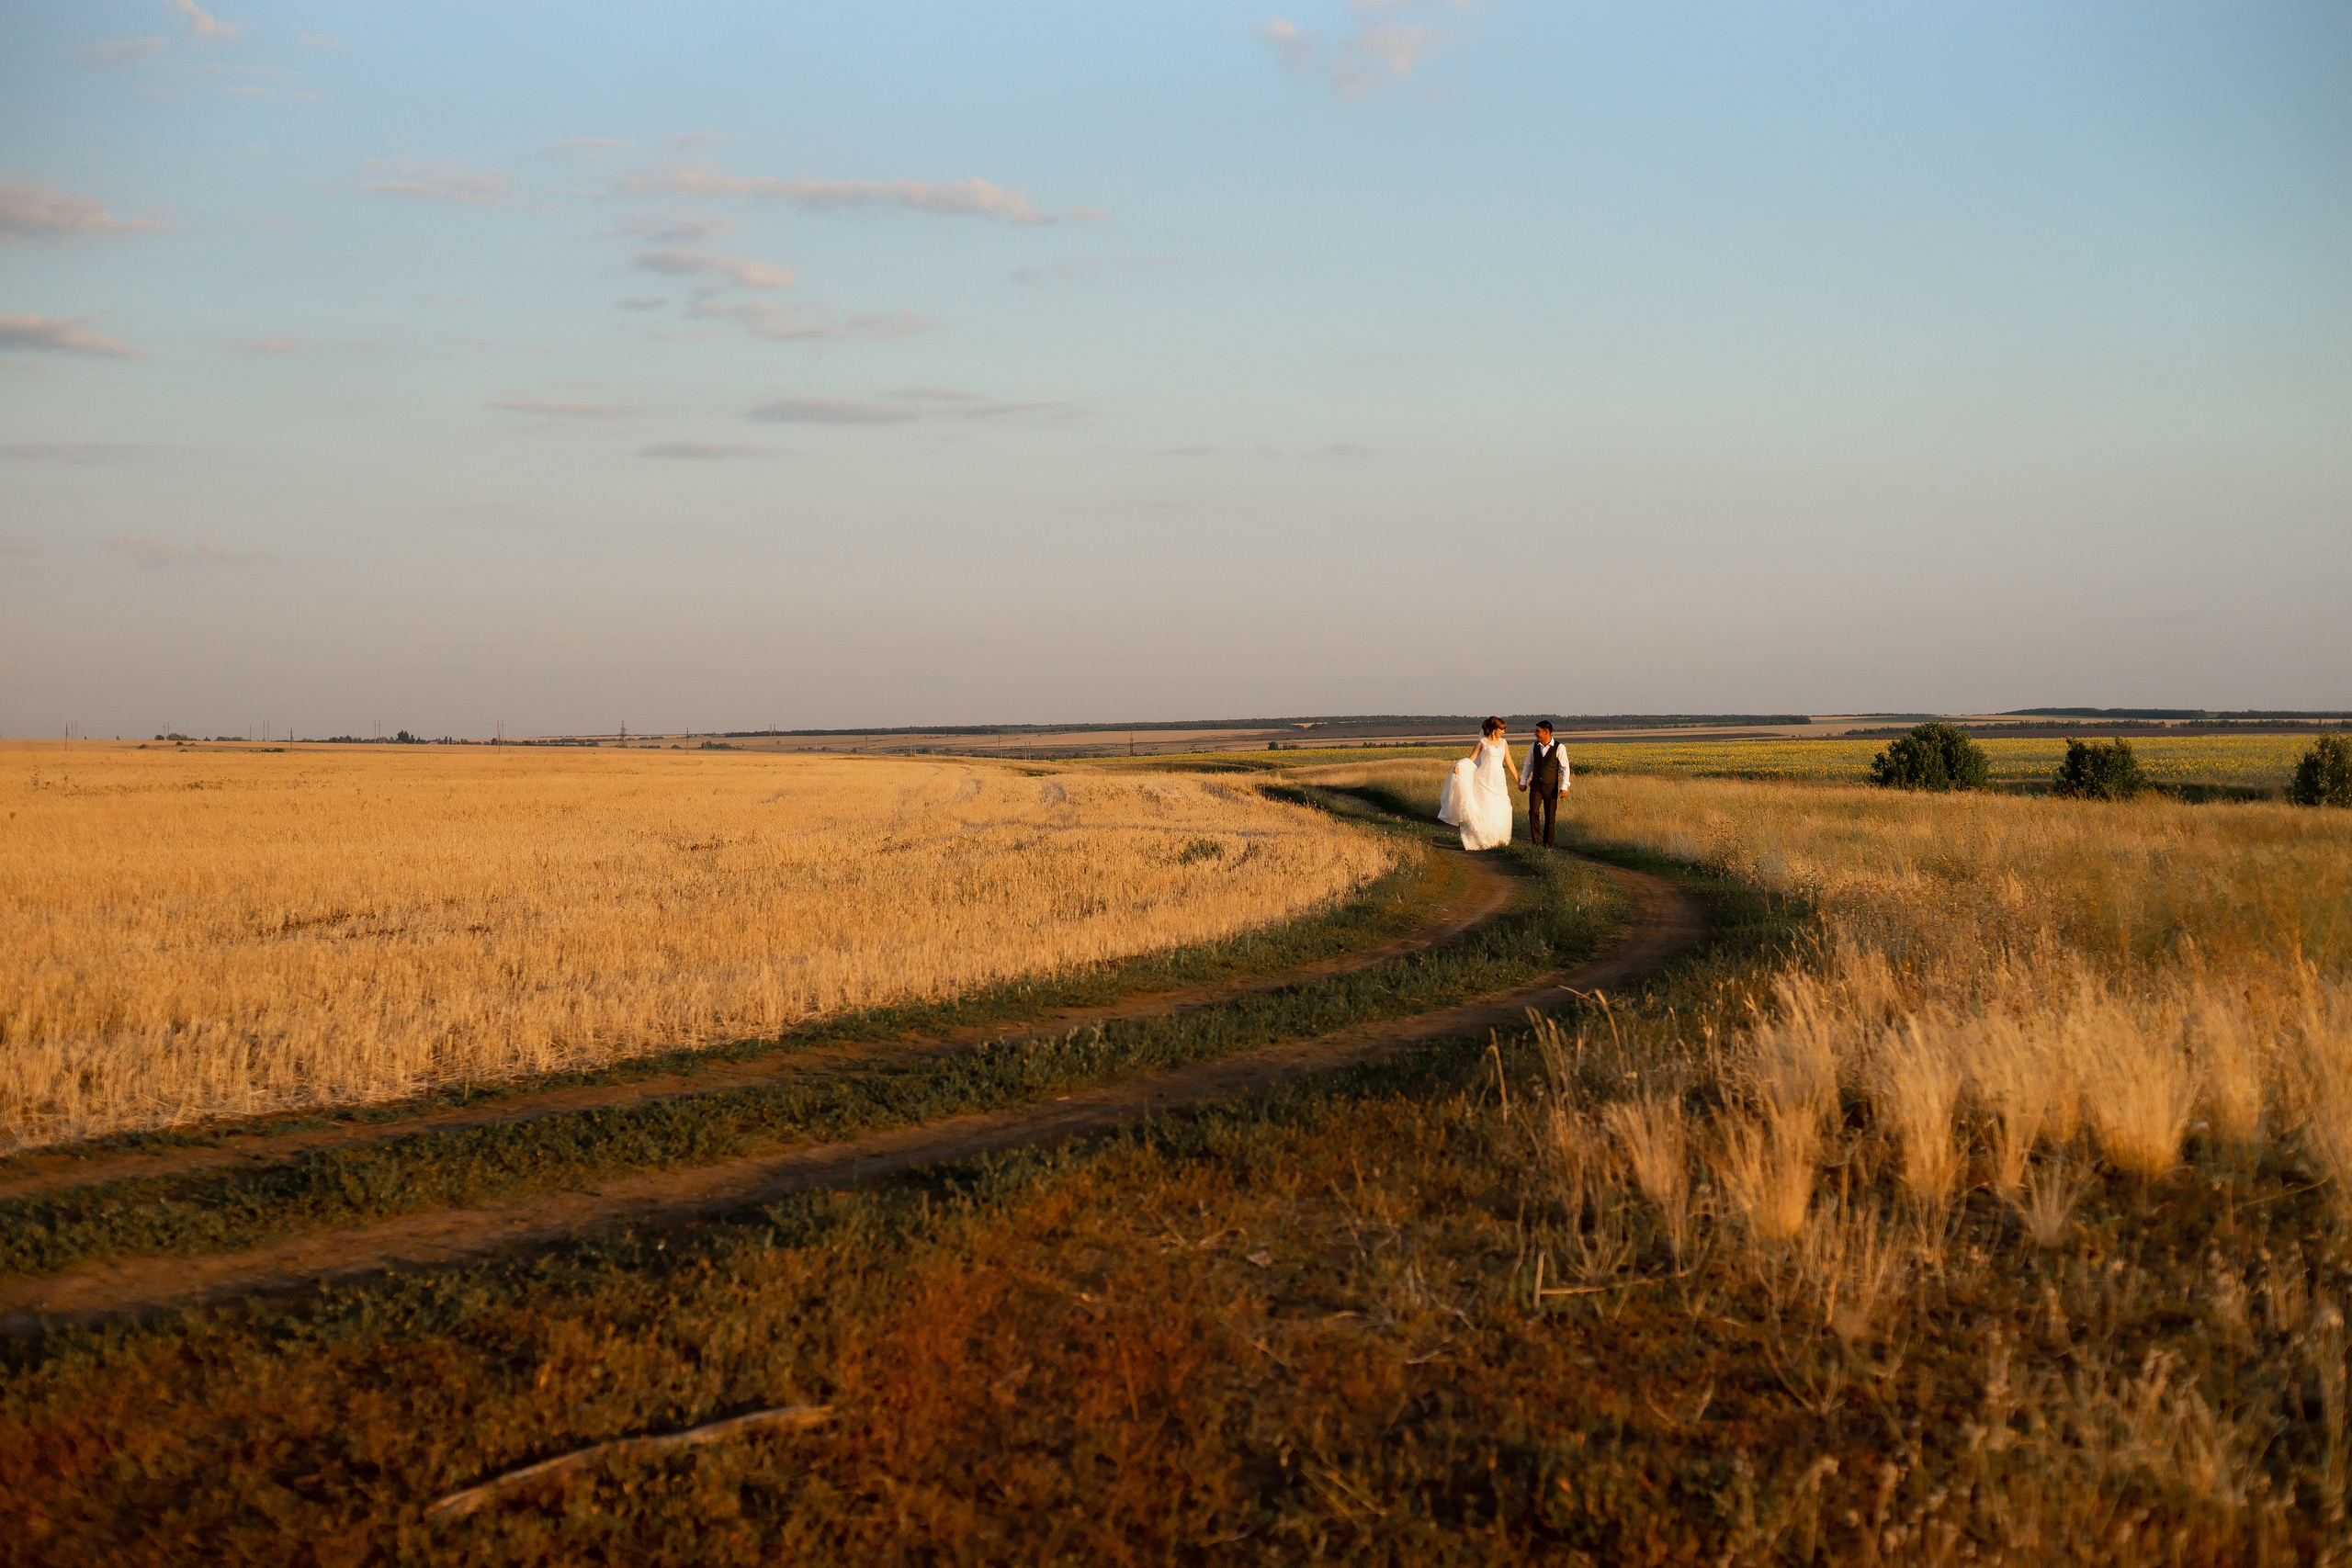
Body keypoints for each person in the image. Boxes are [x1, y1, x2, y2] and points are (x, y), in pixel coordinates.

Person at [1437, 716, 1515, 851]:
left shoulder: (1504, 743)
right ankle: (1483, 838)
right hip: (1484, 778)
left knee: (1499, 806)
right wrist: (1459, 766)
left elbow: (1509, 762)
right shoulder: (1482, 743)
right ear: (1494, 729)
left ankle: (1498, 839)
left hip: (1499, 780)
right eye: (1501, 729)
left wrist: (1518, 779)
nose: (1503, 732)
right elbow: (1471, 758)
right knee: (1486, 806)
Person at [1517, 719, 1572, 848]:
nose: (1536, 734)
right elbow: (1528, 765)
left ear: (1546, 732)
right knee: (1533, 812)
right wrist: (1523, 781)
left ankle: (1548, 844)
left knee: (1550, 815)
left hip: (1551, 786)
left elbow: (1565, 768)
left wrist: (1564, 786)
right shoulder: (1534, 746)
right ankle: (1537, 841)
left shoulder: (1559, 747)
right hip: (1536, 785)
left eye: (1538, 731)